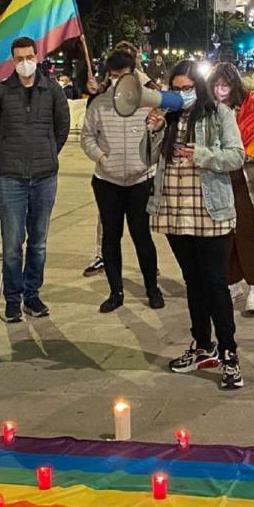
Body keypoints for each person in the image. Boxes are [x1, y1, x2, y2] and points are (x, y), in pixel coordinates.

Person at [144, 60, 245, 389]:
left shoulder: (219, 113)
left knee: (215, 282)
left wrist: (202, 155)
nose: (181, 94)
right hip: (174, 211)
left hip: (210, 212)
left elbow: (236, 156)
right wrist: (155, 131)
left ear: (199, 87)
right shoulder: (168, 118)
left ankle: (229, 352)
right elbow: (148, 159)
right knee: (193, 281)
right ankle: (202, 345)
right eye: (176, 88)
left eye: (187, 88)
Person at [0, 37, 69, 323]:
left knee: (39, 242)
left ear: (37, 56)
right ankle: (12, 300)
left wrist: (48, 153)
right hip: (11, 179)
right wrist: (4, 158)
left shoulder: (52, 91)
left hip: (45, 177)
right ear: (13, 61)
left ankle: (32, 294)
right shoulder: (0, 93)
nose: (25, 63)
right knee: (11, 244)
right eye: (19, 59)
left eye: (29, 57)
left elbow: (62, 126)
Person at [80, 51, 165, 313]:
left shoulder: (146, 102)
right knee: (111, 237)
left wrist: (159, 128)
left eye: (123, 75)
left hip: (140, 180)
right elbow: (87, 137)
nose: (118, 81)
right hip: (107, 181)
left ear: (134, 73)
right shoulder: (99, 104)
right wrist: (101, 157)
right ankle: (115, 291)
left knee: (142, 237)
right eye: (113, 76)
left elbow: (159, 143)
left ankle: (152, 288)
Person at [208, 63, 254, 317]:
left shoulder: (252, 110)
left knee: (248, 235)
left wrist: (235, 155)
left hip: (247, 182)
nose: (219, 91)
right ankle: (231, 283)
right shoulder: (207, 112)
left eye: (224, 86)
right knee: (223, 236)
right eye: (215, 86)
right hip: (217, 182)